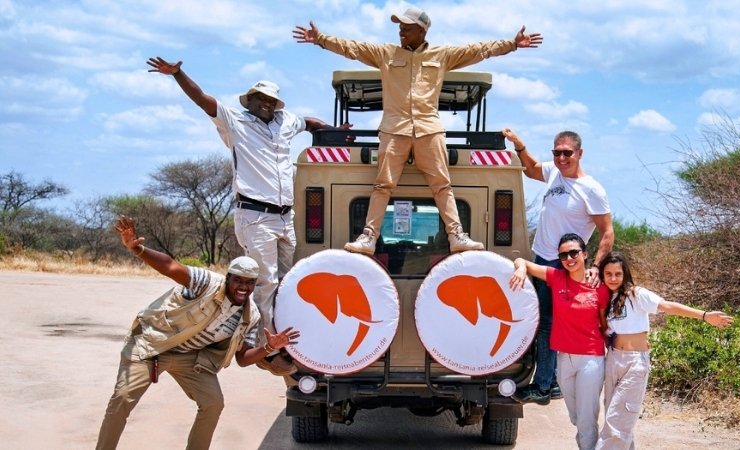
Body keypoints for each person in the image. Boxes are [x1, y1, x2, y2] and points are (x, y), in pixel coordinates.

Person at [292, 6, 543, 255]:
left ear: (422, 30)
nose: (401, 31)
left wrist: (512, 44)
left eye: (407, 27)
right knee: (383, 185)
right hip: (394, 129)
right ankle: (368, 237)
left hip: (429, 130)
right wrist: (321, 39)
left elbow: (479, 50)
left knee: (442, 185)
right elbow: (352, 48)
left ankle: (456, 236)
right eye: (400, 26)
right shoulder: (385, 53)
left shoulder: (442, 54)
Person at [147, 57, 341, 376]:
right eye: (260, 99)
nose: (265, 104)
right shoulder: (235, 122)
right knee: (266, 282)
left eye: (270, 100)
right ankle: (269, 352)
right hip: (255, 214)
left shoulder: (284, 122)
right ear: (249, 100)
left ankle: (286, 336)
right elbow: (203, 99)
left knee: (289, 281)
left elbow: (309, 122)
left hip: (284, 217)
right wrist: (178, 73)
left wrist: (335, 132)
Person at [96, 216, 301, 450]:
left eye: (249, 283)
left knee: (213, 403)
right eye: (238, 281)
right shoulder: (206, 282)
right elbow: (170, 267)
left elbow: (242, 359)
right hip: (153, 345)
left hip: (190, 359)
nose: (243, 287)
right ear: (228, 278)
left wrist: (269, 347)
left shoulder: (250, 315)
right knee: (122, 398)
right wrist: (137, 249)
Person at [502, 128, 615, 404]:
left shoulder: (592, 189)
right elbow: (529, 169)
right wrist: (519, 145)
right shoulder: (554, 171)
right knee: (547, 321)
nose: (561, 157)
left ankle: (542, 386)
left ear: (580, 153)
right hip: (542, 256)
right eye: (557, 152)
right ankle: (551, 382)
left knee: (546, 323)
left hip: (564, 262)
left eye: (567, 152)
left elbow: (608, 232)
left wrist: (595, 266)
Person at [595, 251, 733, 450]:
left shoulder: (637, 294)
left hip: (634, 363)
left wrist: (704, 316)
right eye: (608, 274)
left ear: (625, 273)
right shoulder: (607, 299)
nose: (613, 278)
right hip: (614, 359)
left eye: (618, 273)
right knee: (616, 417)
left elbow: (667, 306)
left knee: (618, 419)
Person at [509, 233, 610, 450]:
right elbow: (521, 260)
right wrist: (520, 269)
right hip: (564, 359)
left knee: (585, 420)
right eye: (563, 255)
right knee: (576, 416)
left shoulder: (598, 287)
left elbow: (605, 324)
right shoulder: (556, 277)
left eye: (574, 252)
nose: (569, 258)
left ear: (585, 254)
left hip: (590, 360)